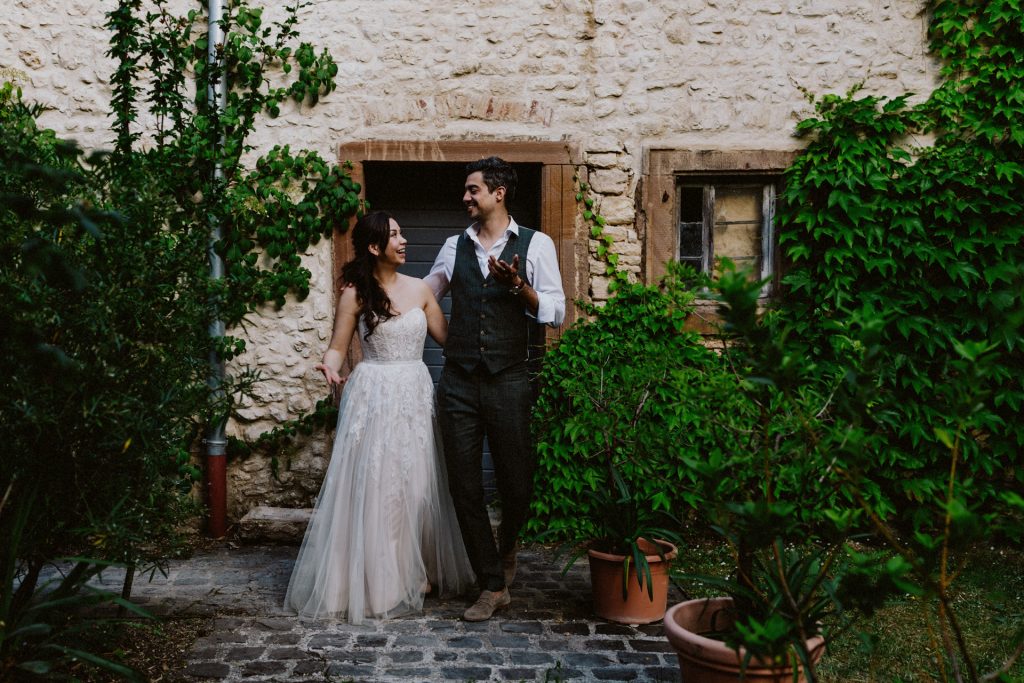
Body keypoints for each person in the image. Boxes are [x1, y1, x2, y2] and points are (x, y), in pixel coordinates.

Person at [284, 211, 475, 624]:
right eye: (395, 235)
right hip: (374, 395)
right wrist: (329, 366)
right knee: (380, 487)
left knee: (416, 486)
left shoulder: (421, 289)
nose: (403, 241)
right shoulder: (355, 293)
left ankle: (414, 569)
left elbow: (450, 340)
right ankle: (383, 581)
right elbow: (338, 346)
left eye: (403, 233)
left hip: (414, 395)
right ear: (374, 247)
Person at [425, 156, 566, 621]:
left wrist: (520, 287)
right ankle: (491, 584)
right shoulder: (453, 247)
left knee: (517, 482)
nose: (465, 197)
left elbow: (556, 311)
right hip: (459, 382)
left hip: (509, 378)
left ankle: (507, 547)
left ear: (498, 193)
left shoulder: (536, 244)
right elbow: (424, 297)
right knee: (464, 486)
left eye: (473, 189)